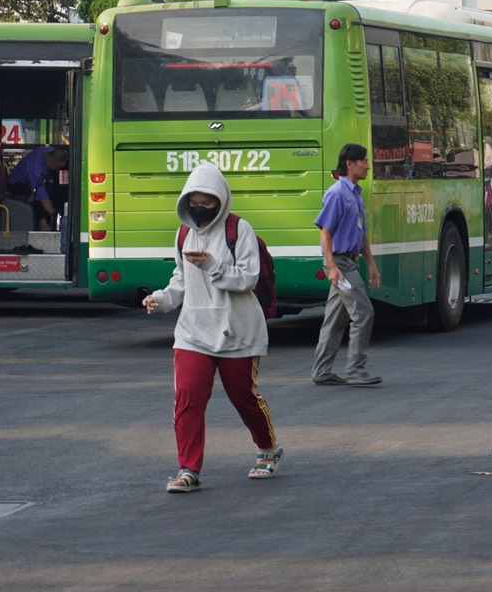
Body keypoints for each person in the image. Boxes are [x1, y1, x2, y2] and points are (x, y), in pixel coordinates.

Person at [142, 163, 281, 494]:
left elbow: (248, 277)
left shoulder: (239, 230)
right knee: (188, 397)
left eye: (208, 203)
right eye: (196, 202)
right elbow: (181, 280)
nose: (201, 209)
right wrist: (160, 300)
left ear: (221, 201)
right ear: (186, 201)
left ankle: (268, 448)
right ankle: (188, 469)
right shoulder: (183, 234)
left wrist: (214, 265)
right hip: (193, 332)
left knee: (243, 396)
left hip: (238, 332)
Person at [313, 143, 383, 386]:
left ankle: (322, 371)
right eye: (363, 160)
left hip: (348, 261)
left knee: (334, 319)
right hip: (340, 265)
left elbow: (360, 234)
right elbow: (325, 233)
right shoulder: (337, 194)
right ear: (350, 164)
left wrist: (371, 263)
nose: (367, 165)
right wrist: (331, 266)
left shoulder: (355, 194)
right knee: (363, 313)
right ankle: (356, 370)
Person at [5, 145, 68, 231]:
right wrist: (53, 213)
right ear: (52, 161)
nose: (57, 170)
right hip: (17, 187)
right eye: (57, 167)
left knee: (52, 191)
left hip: (31, 184)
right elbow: (41, 193)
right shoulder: (36, 168)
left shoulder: (49, 152)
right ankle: (44, 225)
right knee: (39, 202)